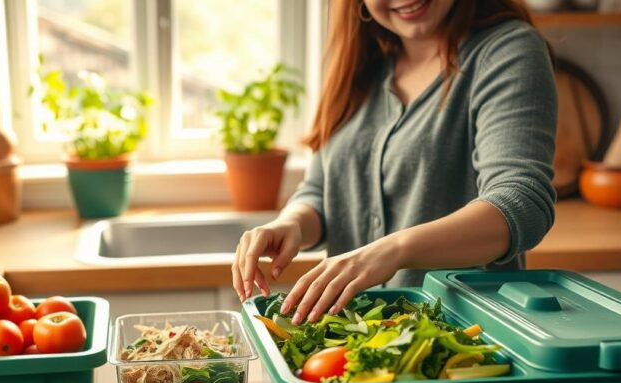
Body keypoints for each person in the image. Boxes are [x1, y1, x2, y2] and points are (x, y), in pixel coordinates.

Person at [232, 0, 557, 325]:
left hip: (463, 345)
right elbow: (320, 189)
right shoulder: (358, 66)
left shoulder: (507, 51)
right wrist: (292, 224)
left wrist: (394, 250)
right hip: (354, 346)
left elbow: (522, 204)